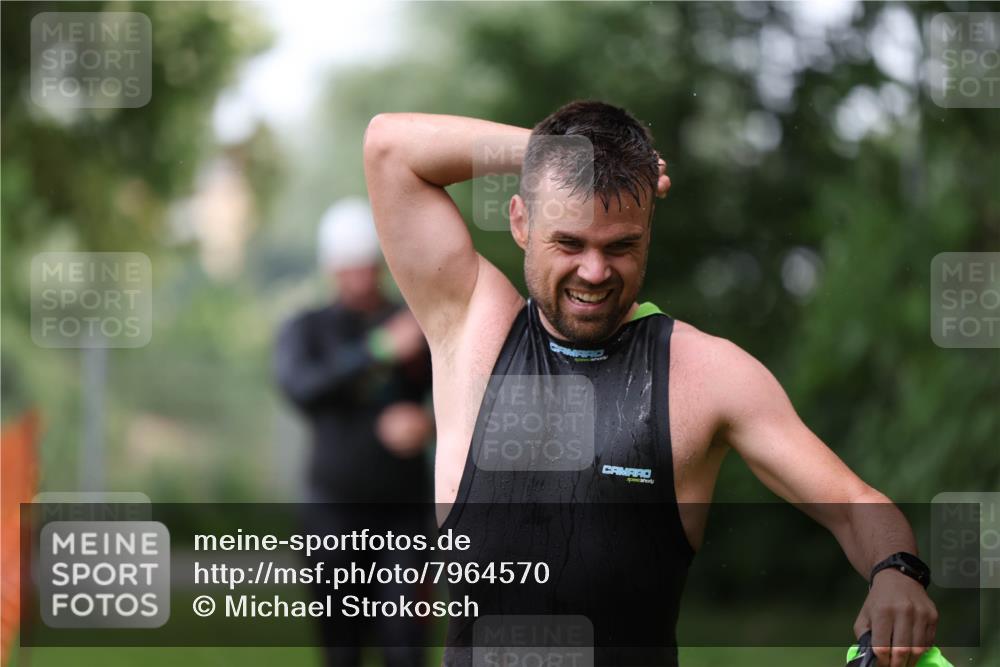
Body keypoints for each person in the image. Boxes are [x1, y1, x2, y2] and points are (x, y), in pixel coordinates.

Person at [363, 101, 939, 667]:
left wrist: (897, 573)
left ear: (647, 233)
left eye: (621, 246)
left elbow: (852, 503)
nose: (594, 271)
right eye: (569, 243)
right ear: (520, 222)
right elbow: (390, 147)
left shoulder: (708, 375)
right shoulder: (472, 327)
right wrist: (556, 152)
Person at [274, 197, 433, 667]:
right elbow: (303, 387)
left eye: (366, 267)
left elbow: (461, 391)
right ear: (332, 270)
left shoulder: (413, 324)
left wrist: (429, 424)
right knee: (341, 650)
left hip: (403, 519)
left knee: (405, 647)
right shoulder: (309, 329)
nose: (360, 278)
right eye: (349, 268)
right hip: (332, 518)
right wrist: (381, 348)